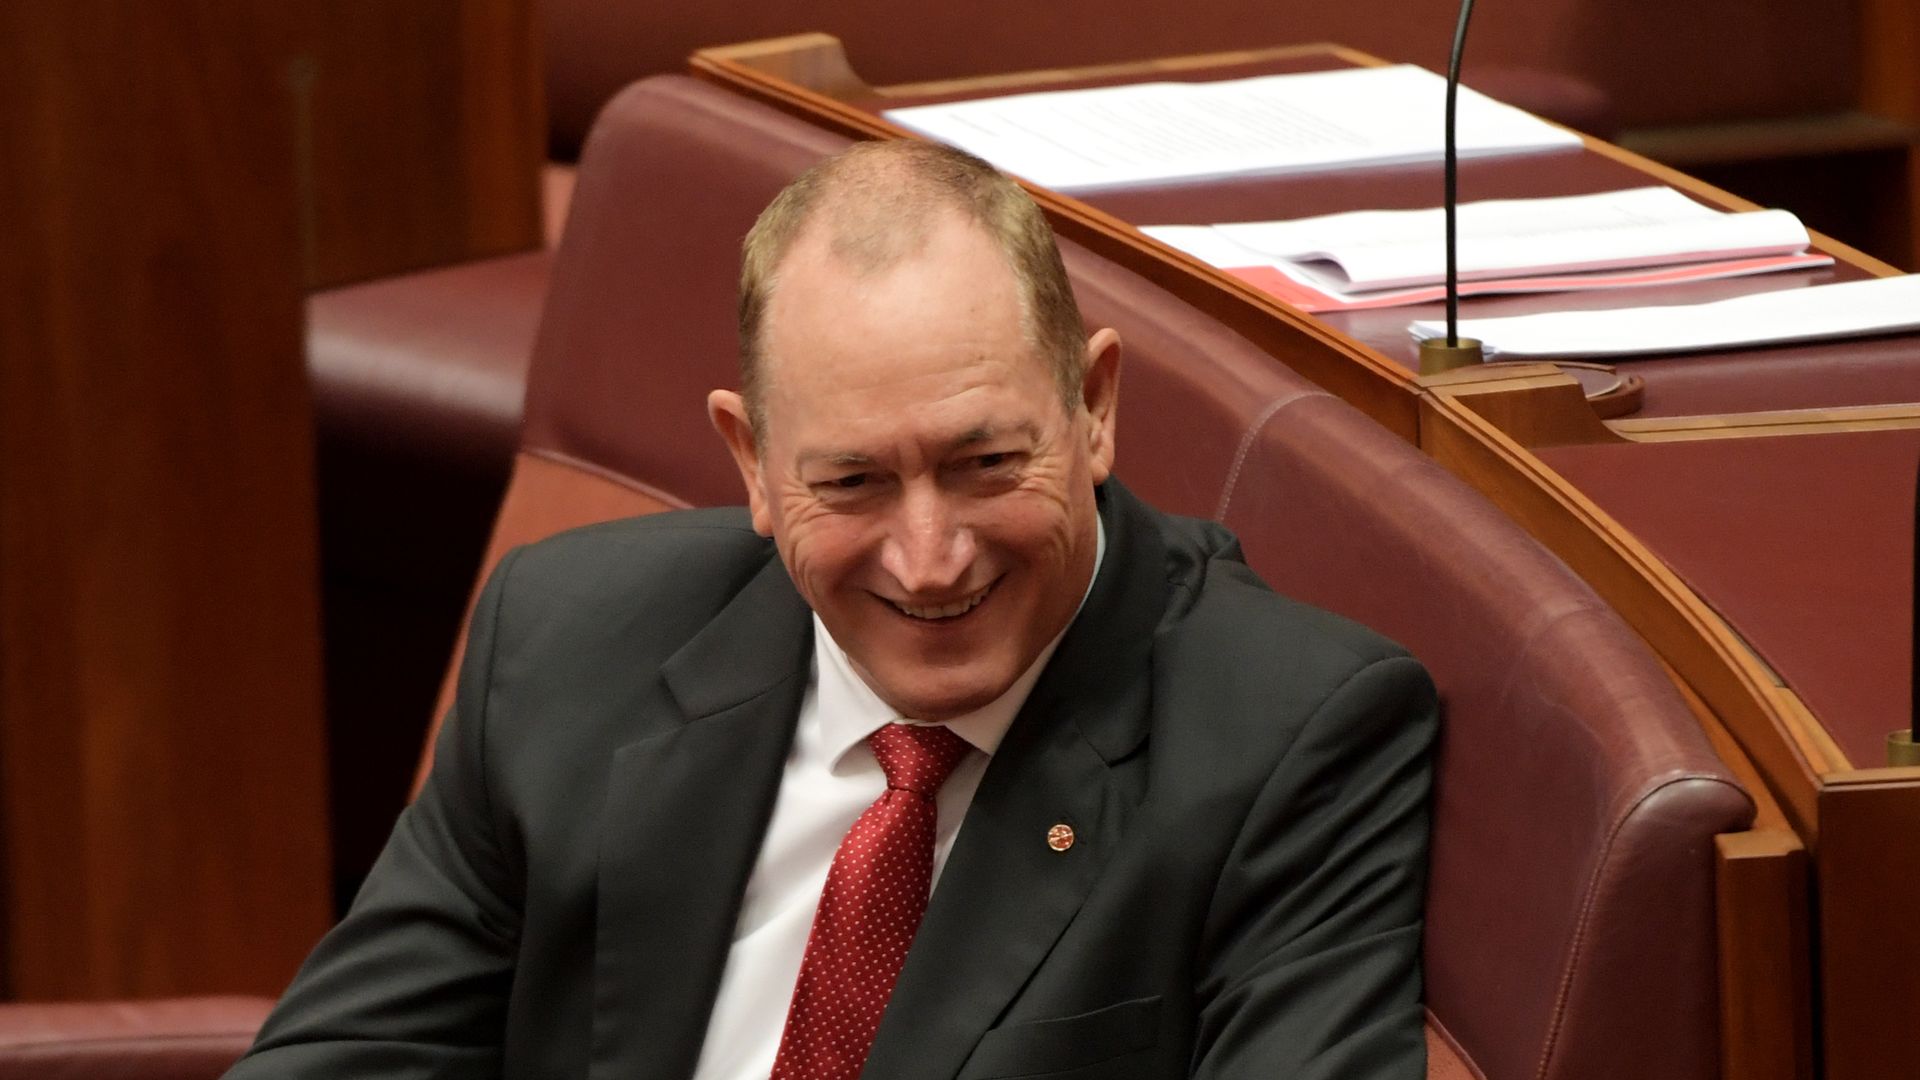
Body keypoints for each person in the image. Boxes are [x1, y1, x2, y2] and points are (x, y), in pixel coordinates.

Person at [228, 140, 1436, 1080]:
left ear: (1095, 405)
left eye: (984, 465)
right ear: (752, 463)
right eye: (851, 483)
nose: (928, 560)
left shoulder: (1292, 740)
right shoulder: (567, 639)